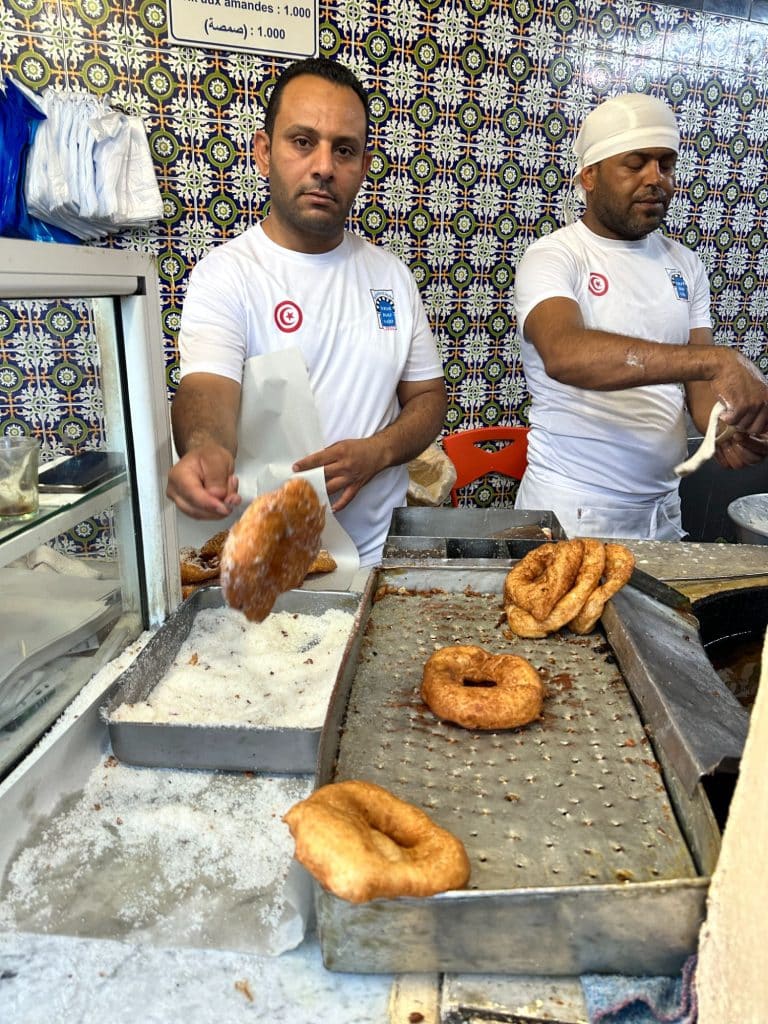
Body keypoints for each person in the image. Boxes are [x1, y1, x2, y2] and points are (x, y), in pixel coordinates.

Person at [166, 57, 446, 565]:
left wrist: (379, 452)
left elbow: (427, 398)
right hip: (265, 567)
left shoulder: (391, 278)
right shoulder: (227, 273)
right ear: (264, 153)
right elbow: (207, 387)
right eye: (302, 141)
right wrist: (206, 450)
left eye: (344, 149)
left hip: (374, 564)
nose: (323, 166)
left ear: (362, 166)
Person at [513, 92, 768, 541]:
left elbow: (700, 392)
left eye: (666, 165)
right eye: (637, 163)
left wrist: (726, 431)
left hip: (662, 514)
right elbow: (564, 353)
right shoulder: (554, 256)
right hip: (570, 514)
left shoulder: (685, 264)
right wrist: (716, 360)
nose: (658, 180)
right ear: (589, 175)